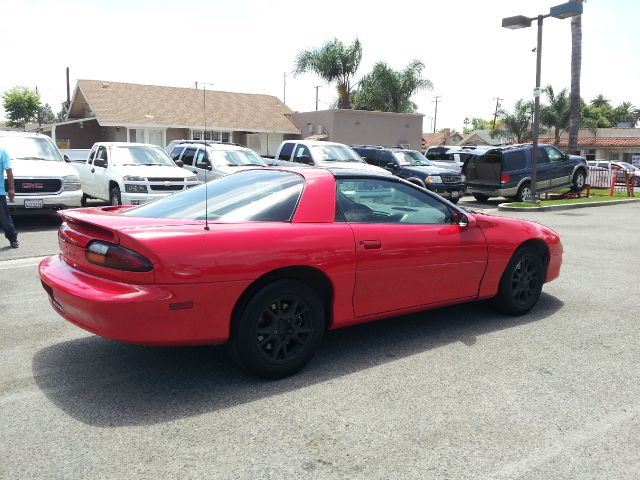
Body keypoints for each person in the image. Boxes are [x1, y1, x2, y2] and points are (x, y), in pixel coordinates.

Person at [0, 147, 19, 248]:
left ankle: (13, 239)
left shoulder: (2, 152)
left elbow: (9, 171)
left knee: (4, 218)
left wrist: (12, 188)